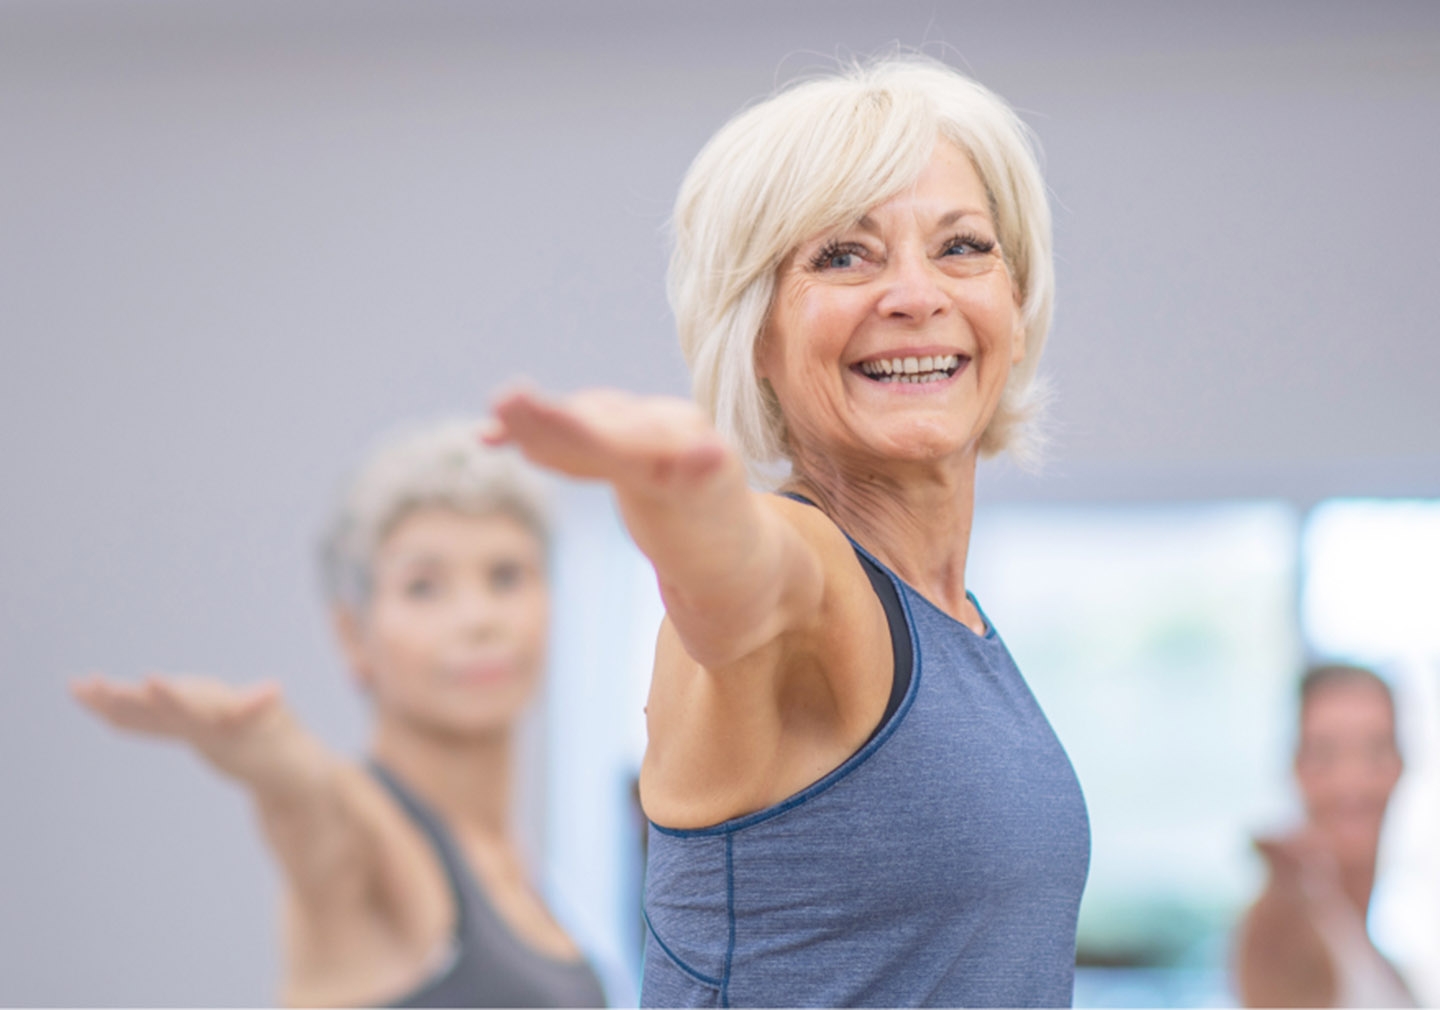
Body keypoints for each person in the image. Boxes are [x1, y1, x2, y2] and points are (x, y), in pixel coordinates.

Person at [485, 55, 1090, 1008]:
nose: (914, 294)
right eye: (843, 256)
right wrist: (674, 495)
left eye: (962, 247)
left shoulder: (958, 624)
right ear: (757, 333)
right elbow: (740, 578)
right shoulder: (812, 571)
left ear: (1014, 303)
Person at [72, 421, 607, 1009]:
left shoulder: (518, 870)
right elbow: (318, 810)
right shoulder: (369, 854)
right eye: (424, 587)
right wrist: (276, 755)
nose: (478, 617)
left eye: (506, 576)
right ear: (354, 636)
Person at [1234, 663, 1415, 1007]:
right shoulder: (1284, 929)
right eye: (1325, 753)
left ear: (1401, 764)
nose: (1352, 780)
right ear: (1297, 767)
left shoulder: (1367, 944)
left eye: (1375, 750)